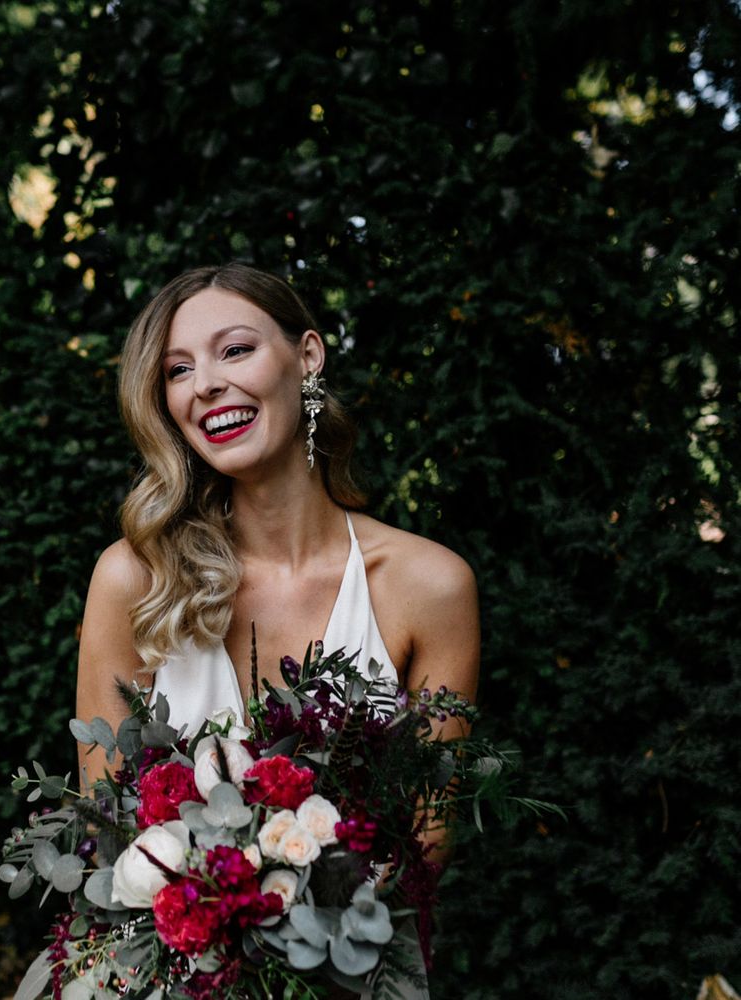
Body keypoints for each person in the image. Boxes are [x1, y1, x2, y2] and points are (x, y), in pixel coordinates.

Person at [75, 262, 480, 999]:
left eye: (235, 350)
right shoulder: (135, 581)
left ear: (309, 356)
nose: (206, 383)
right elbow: (102, 837)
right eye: (178, 370)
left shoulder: (429, 587)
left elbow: (425, 851)